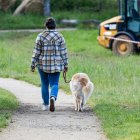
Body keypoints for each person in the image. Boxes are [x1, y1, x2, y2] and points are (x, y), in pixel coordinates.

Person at [31, 17, 68, 112]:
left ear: (46, 26)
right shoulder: (60, 36)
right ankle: (53, 97)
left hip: (42, 64)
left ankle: (46, 105)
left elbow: (36, 51)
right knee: (54, 83)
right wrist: (65, 64)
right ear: (55, 26)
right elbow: (63, 52)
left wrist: (33, 64)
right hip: (56, 64)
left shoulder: (41, 36)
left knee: (44, 84)